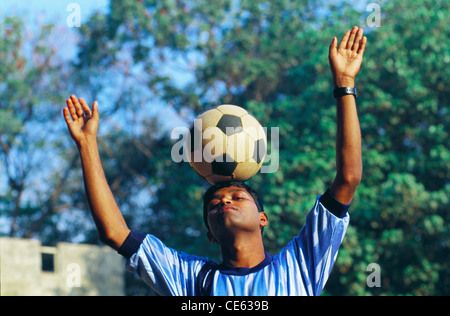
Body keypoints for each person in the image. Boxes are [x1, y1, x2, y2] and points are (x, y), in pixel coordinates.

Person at [63, 26, 366, 296]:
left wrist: (344, 84)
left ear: (263, 218)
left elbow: (348, 178)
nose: (224, 203)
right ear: (209, 233)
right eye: (214, 205)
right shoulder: (192, 279)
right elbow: (115, 233)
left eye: (237, 196)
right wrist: (87, 144)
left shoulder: (300, 264)